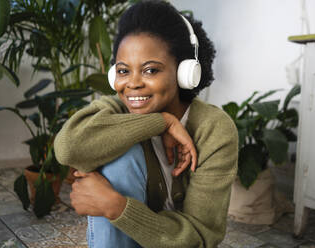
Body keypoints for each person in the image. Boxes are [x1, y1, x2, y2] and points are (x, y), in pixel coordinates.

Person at [54, 1, 238, 247]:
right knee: (120, 154)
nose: (132, 84)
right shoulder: (117, 108)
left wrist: (116, 208)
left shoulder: (214, 129)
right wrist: (161, 122)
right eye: (123, 71)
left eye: (150, 70)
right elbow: (68, 148)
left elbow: (201, 236)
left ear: (186, 71)